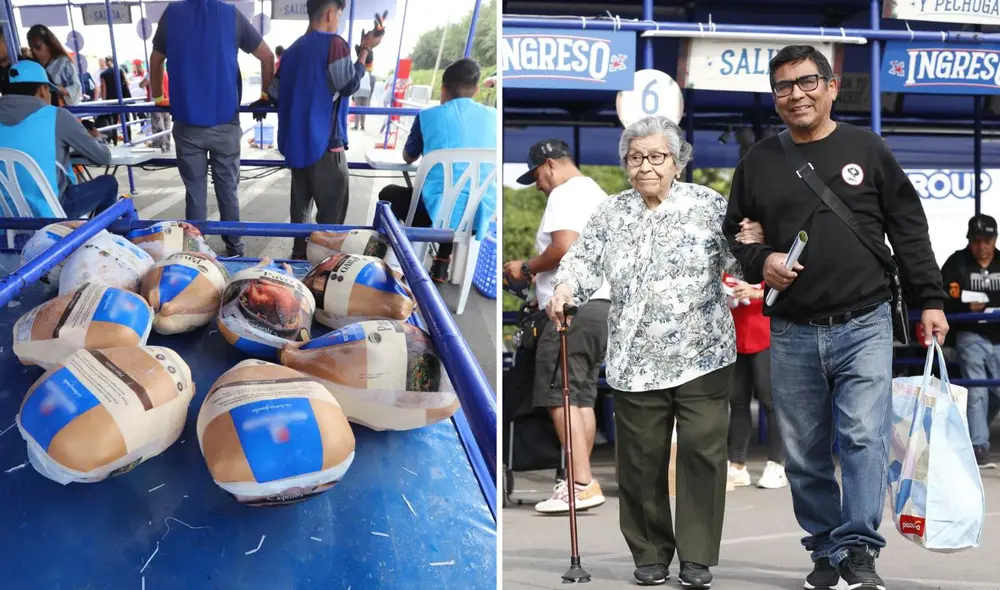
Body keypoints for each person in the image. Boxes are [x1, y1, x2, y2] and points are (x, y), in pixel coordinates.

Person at [723, 45, 948, 590]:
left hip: (863, 321)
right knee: (802, 451)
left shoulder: (866, 149)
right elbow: (735, 234)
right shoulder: (757, 161)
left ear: (829, 86)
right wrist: (762, 259)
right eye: (782, 86)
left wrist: (931, 299)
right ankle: (825, 549)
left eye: (805, 82)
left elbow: (908, 229)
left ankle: (859, 550)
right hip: (792, 328)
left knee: (863, 438)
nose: (794, 94)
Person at [548, 116, 739, 589]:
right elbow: (582, 260)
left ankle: (696, 557)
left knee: (702, 452)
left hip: (703, 353)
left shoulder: (708, 205)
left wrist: (762, 256)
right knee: (640, 461)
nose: (646, 166)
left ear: (678, 161)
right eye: (636, 158)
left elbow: (741, 257)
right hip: (635, 360)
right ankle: (651, 552)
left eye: (657, 157)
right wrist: (565, 288)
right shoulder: (611, 213)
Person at [503, 139, 611, 515]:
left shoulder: (564, 194)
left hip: (571, 310)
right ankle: (582, 478)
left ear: (549, 165)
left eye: (536, 176)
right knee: (581, 397)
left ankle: (580, 483)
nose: (537, 185)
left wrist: (527, 268)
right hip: (600, 305)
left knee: (559, 396)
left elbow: (565, 247)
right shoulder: (596, 192)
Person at [150, 0, 275, 257]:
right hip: (225, 123)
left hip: (187, 124)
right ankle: (235, 249)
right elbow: (267, 56)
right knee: (228, 191)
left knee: (195, 194)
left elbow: (156, 59)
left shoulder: (172, 13)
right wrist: (265, 94)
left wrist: (158, 97)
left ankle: (196, 252)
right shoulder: (231, 15)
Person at [263, 0, 382, 259]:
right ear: (330, 13)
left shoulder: (292, 52)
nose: (338, 21)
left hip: (297, 147)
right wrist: (364, 50)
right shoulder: (335, 44)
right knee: (331, 222)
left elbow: (274, 92)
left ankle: (297, 262)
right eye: (339, 16)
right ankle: (323, 269)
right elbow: (348, 83)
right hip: (327, 147)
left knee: (300, 217)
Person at [377, 58, 497, 282]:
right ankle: (442, 261)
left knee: (390, 194)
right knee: (456, 198)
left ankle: (396, 259)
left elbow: (408, 156)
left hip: (430, 215)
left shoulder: (427, 117)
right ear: (477, 89)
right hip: (477, 215)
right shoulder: (494, 117)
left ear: (443, 89)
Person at [0, 60, 116, 217]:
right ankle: (102, 238)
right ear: (42, 89)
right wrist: (94, 138)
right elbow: (103, 157)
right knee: (109, 183)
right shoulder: (57, 116)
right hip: (51, 212)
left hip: (6, 215)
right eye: (50, 91)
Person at [941, 214, 1000, 469]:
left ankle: (976, 433)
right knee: (977, 388)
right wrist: (964, 305)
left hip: (999, 335)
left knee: (995, 389)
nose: (981, 246)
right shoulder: (956, 262)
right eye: (976, 240)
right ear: (969, 241)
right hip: (969, 333)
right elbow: (941, 296)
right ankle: (978, 445)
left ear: (995, 239)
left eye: (986, 240)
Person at [722, 273, 787, 489]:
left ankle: (777, 464)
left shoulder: (768, 257)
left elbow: (787, 289)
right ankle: (737, 464)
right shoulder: (728, 261)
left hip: (765, 335)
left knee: (771, 402)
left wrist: (757, 293)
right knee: (738, 402)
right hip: (735, 337)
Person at [27, 25, 82, 106]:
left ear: (48, 44)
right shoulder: (33, 66)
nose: (35, 51)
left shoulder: (63, 62)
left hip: (60, 110)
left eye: (38, 47)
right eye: (32, 48)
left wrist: (62, 90)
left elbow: (77, 87)